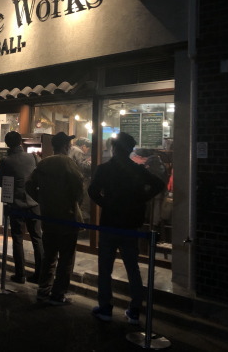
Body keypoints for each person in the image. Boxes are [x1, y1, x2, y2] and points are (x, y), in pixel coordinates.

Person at [87, 132, 166, 324]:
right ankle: (135, 310)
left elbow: (92, 191)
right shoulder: (137, 169)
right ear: (130, 149)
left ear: (114, 148)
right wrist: (141, 199)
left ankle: (105, 308)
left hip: (109, 223)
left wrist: (106, 204)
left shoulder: (104, 169)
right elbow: (158, 184)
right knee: (132, 267)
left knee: (105, 268)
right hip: (130, 224)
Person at [25, 132, 84, 305]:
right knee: (66, 258)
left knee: (49, 256)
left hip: (48, 217)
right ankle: (58, 294)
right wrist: (74, 203)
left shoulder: (43, 162)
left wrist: (42, 200)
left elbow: (29, 185)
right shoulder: (68, 162)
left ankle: (43, 290)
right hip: (67, 217)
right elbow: (78, 188)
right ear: (66, 146)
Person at [0, 131, 43, 284]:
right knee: (37, 238)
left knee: (17, 238)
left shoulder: (6, 161)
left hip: (16, 204)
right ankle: (40, 275)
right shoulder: (33, 157)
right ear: (20, 142)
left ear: (7, 144)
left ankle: (20, 274)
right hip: (34, 204)